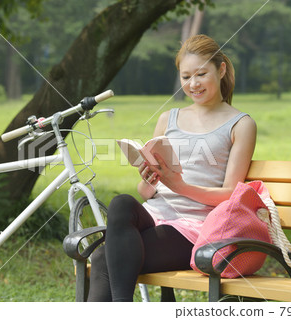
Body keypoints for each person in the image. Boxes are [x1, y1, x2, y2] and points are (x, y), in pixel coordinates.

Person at [87, 34, 257, 302]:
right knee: (121, 203)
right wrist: (150, 177)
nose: (193, 84)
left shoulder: (240, 124)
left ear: (221, 69)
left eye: (201, 74)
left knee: (101, 259)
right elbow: (145, 192)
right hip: (155, 215)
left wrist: (180, 186)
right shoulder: (169, 118)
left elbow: (230, 195)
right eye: (186, 77)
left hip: (196, 228)